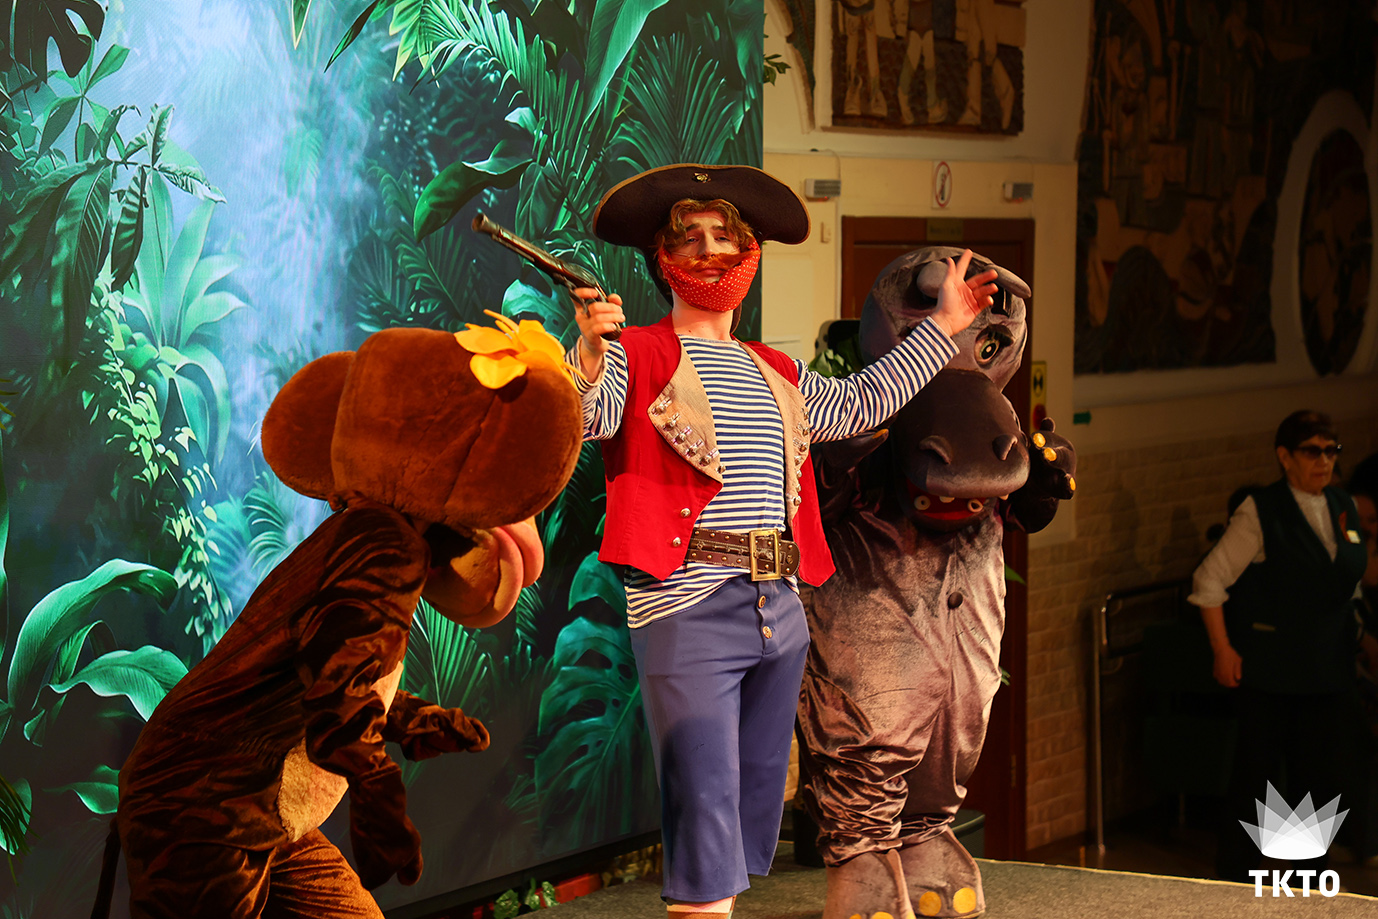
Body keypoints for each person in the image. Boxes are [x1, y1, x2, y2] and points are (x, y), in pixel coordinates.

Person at [564, 163, 997, 918]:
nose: (709, 251)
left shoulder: (775, 368)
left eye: (725, 237)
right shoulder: (637, 353)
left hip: (777, 607)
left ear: (750, 253)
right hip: (686, 602)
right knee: (704, 803)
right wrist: (589, 358)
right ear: (663, 259)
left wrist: (942, 329)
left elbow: (861, 402)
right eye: (690, 238)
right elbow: (587, 418)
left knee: (747, 801)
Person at [1190, 410, 1367, 882]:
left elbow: (1346, 580)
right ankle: (1238, 872)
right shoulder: (1261, 510)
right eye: (1312, 451)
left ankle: (1308, 872)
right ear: (1285, 457)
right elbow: (1209, 581)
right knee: (1258, 775)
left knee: (1320, 775)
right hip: (1272, 668)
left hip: (1328, 666)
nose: (1324, 461)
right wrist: (1222, 649)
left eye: (1331, 451)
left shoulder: (1343, 504)